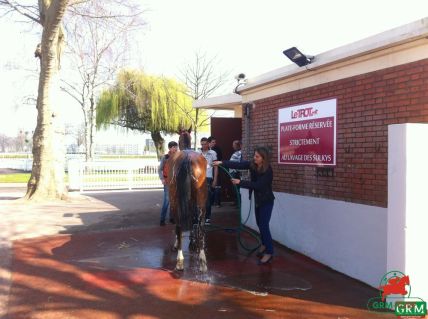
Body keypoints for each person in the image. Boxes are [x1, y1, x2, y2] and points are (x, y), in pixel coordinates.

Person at [213, 146, 275, 265]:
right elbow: (239, 165)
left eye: (257, 156)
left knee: (263, 225)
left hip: (266, 202)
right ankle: (264, 244)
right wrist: (222, 162)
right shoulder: (253, 165)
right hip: (258, 201)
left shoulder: (268, 171)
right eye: (254, 156)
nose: (254, 158)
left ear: (263, 158)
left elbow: (258, 185)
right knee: (259, 224)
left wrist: (240, 182)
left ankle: (269, 252)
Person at [158, 141, 178, 226]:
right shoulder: (165, 157)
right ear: (169, 148)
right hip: (167, 182)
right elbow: (160, 169)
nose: (175, 148)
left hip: (175, 182)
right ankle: (162, 219)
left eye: (176, 147)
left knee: (173, 201)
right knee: (167, 201)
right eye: (173, 147)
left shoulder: (179, 157)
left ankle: (172, 218)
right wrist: (162, 179)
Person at [198, 137, 218, 225]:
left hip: (209, 177)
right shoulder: (197, 153)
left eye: (205, 144)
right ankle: (200, 215)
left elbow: (216, 167)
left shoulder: (213, 153)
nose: (203, 145)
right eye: (202, 144)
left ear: (208, 144)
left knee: (208, 199)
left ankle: (207, 217)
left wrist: (215, 179)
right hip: (198, 178)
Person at [208, 136, 222, 207]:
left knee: (217, 185)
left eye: (215, 142)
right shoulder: (207, 150)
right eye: (213, 142)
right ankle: (211, 202)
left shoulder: (217, 150)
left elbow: (218, 161)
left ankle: (217, 202)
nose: (214, 143)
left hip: (216, 169)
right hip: (209, 171)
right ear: (209, 143)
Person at [229, 140, 242, 206]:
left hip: (235, 172)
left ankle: (238, 203)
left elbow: (239, 163)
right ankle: (236, 202)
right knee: (234, 188)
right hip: (232, 172)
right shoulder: (237, 153)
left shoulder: (240, 153)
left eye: (234, 145)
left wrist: (236, 170)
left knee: (236, 188)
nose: (233, 146)